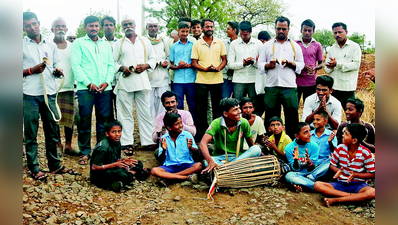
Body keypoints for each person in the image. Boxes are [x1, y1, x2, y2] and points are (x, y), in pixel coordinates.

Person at [23, 11, 77, 180]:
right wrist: (31, 70)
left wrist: (57, 71)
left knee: (52, 131)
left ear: (39, 23)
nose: (32, 27)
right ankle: (34, 167)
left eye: (34, 23)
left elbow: (56, 63)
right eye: (27, 26)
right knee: (31, 133)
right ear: (23, 28)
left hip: (50, 94)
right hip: (29, 95)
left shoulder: (50, 44)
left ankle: (54, 165)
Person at [71, 15, 115, 165]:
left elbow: (111, 65)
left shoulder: (105, 44)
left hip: (104, 88)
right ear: (85, 27)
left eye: (96, 26)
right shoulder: (78, 43)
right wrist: (88, 83)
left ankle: (101, 150)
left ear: (99, 27)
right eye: (91, 26)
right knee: (84, 121)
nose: (94, 28)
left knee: (103, 121)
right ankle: (85, 152)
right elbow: (76, 66)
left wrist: (106, 82)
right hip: (85, 88)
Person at [112, 15, 157, 155]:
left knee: (145, 112)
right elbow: (112, 62)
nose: (128, 26)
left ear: (135, 24)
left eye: (130, 23)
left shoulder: (144, 41)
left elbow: (154, 58)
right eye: (125, 24)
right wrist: (122, 68)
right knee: (125, 114)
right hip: (125, 82)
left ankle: (148, 141)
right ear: (122, 27)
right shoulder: (118, 43)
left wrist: (145, 66)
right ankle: (127, 142)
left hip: (142, 81)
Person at [257, 16, 304, 138]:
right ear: (275, 28)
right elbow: (260, 63)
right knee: (271, 115)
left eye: (284, 29)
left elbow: (301, 64)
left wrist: (291, 64)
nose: (281, 31)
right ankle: (271, 141)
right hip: (272, 86)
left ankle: (292, 140)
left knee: (292, 114)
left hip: (289, 86)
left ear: (288, 29)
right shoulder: (267, 45)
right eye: (278, 29)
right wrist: (268, 65)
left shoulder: (295, 46)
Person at [314, 123, 375, 207]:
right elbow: (332, 165)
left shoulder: (365, 153)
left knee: (372, 192)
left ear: (354, 140)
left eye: (346, 134)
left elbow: (372, 174)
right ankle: (352, 197)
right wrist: (338, 171)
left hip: (358, 185)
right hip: (341, 183)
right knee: (317, 185)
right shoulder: (340, 148)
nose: (343, 135)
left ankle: (335, 200)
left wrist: (356, 175)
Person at [199, 98, 262, 173]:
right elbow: (202, 143)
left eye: (239, 108)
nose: (239, 112)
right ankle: (234, 170)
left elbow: (251, 145)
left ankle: (226, 170)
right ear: (225, 114)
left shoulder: (244, 122)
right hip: (220, 158)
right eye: (235, 110)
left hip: (238, 157)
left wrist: (257, 154)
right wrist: (210, 161)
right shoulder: (216, 123)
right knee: (207, 162)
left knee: (256, 149)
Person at [191, 19, 227, 141]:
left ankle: (217, 134)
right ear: (202, 28)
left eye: (211, 26)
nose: (210, 28)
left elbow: (224, 60)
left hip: (217, 80)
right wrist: (205, 69)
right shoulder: (197, 44)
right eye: (207, 26)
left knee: (217, 108)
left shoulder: (219, 42)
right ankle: (202, 135)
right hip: (201, 80)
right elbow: (194, 63)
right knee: (201, 109)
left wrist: (218, 68)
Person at [90, 120, 150, 192]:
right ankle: (131, 176)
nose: (117, 134)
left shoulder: (117, 142)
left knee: (138, 163)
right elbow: (94, 167)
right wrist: (114, 165)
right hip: (101, 173)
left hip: (112, 167)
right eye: (114, 132)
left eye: (119, 131)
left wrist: (123, 161)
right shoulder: (103, 148)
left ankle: (129, 176)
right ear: (107, 134)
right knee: (121, 174)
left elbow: (115, 160)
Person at [151, 113, 202, 187]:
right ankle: (185, 177)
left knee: (198, 165)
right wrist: (164, 150)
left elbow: (197, 153)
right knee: (154, 170)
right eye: (177, 124)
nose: (181, 126)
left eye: (181, 123)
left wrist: (191, 147)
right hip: (170, 166)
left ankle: (170, 177)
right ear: (169, 127)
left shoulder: (187, 135)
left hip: (186, 165)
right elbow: (161, 158)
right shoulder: (164, 138)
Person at [50, 17, 77, 156]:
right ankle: (58, 144)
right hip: (52, 88)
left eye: (63, 26)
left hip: (69, 86)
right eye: (57, 26)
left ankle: (68, 144)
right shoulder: (48, 45)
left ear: (66, 29)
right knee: (55, 118)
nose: (60, 28)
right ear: (52, 29)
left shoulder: (73, 46)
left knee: (69, 117)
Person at [324, 22, 361, 110]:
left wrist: (337, 64)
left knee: (350, 112)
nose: (337, 35)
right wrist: (330, 66)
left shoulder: (354, 47)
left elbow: (356, 65)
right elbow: (326, 69)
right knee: (332, 113)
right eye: (335, 33)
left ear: (346, 32)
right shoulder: (332, 49)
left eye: (340, 32)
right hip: (334, 87)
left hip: (347, 87)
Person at [285, 122, 326, 192]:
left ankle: (305, 183)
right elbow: (295, 169)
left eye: (309, 131)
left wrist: (310, 162)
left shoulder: (314, 146)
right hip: (299, 174)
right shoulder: (289, 148)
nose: (310, 134)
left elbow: (313, 167)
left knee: (329, 161)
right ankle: (314, 186)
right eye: (305, 132)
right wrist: (295, 160)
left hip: (313, 173)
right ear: (297, 136)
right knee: (289, 176)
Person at [228, 21, 262, 101]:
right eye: (241, 34)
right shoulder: (234, 44)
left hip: (253, 79)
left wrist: (252, 62)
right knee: (237, 104)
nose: (242, 36)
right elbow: (230, 64)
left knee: (253, 104)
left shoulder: (258, 44)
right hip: (239, 80)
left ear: (251, 32)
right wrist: (243, 64)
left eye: (245, 34)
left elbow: (262, 64)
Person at [169, 21, 196, 123]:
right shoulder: (174, 46)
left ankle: (193, 128)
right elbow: (171, 64)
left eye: (186, 31)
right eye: (182, 31)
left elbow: (196, 61)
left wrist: (188, 65)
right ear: (178, 31)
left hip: (191, 79)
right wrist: (177, 66)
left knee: (192, 105)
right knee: (178, 105)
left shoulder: (193, 45)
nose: (184, 33)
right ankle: (178, 127)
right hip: (178, 80)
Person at [146, 17, 170, 126]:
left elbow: (169, 58)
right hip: (148, 79)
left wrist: (166, 63)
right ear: (146, 28)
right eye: (150, 26)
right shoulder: (143, 41)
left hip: (162, 79)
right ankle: (150, 135)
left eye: (155, 26)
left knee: (162, 107)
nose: (153, 28)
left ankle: (161, 133)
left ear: (158, 27)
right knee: (149, 108)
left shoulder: (164, 41)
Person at [295, 19, 324, 103]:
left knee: (309, 107)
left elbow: (321, 64)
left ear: (313, 32)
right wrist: (302, 66)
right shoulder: (295, 44)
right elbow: (291, 61)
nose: (307, 32)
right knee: (293, 107)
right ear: (301, 30)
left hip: (311, 82)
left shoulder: (317, 45)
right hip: (295, 81)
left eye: (309, 30)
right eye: (305, 30)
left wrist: (314, 68)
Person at [310, 110, 338, 180]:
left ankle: (312, 176)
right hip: (311, 162)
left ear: (325, 121)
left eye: (318, 119)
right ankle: (313, 176)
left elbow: (335, 151)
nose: (315, 122)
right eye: (314, 119)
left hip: (324, 163)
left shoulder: (330, 134)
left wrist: (330, 142)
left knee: (331, 161)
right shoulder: (309, 134)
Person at [101, 16, 118, 120]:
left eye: (111, 25)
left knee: (120, 110)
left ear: (115, 27)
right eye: (106, 25)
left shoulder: (120, 42)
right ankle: (108, 134)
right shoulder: (99, 43)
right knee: (107, 112)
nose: (109, 27)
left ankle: (119, 134)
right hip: (106, 83)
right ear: (102, 27)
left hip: (118, 82)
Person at [254, 31, 271, 117]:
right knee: (258, 111)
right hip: (261, 87)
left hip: (271, 87)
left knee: (270, 111)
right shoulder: (258, 51)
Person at [222, 21, 239, 99]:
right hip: (225, 77)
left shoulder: (241, 44)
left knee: (237, 101)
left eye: (228, 29)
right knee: (224, 100)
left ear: (234, 30)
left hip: (238, 78)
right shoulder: (223, 43)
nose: (226, 31)